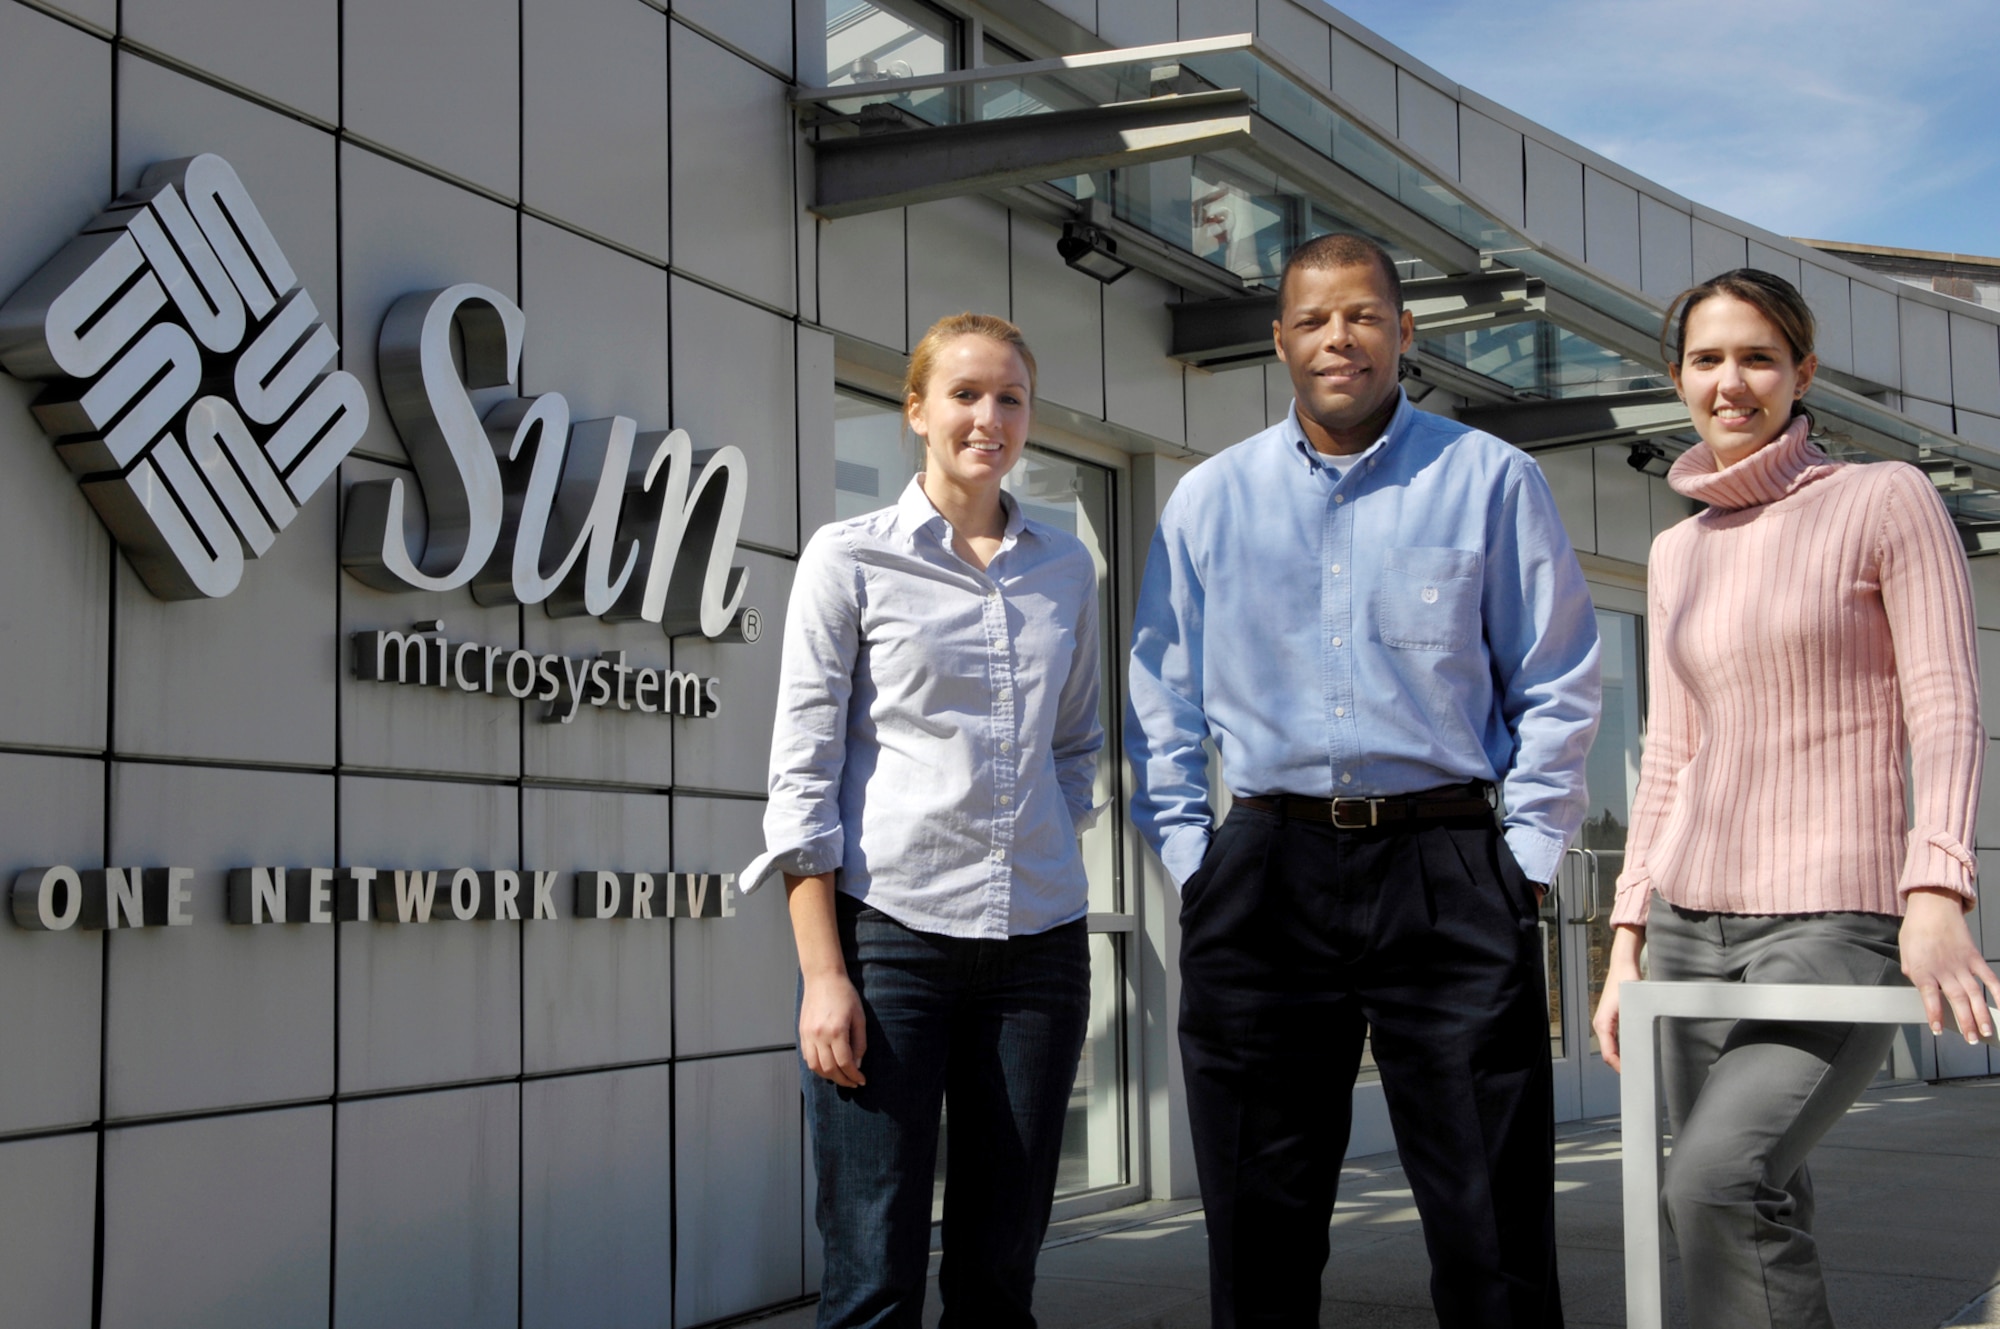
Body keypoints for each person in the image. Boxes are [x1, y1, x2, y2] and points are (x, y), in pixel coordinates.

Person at [1126, 232, 1601, 1328]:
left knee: (1492, 1223)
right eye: (1313, 318)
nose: (1339, 337)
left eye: (1363, 316)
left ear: (1402, 332)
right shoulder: (1209, 500)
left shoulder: (1488, 478)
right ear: (1279, 339)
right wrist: (1196, 861)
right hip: (1262, 874)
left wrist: (1521, 860)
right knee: (1258, 1223)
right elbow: (1162, 696)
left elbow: (1558, 680)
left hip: (1445, 868)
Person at [1591, 268, 1998, 1328]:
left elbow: (1945, 707)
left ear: (1800, 371)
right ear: (1675, 378)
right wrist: (1627, 931)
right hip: (1685, 927)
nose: (1731, 382)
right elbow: (1668, 752)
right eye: (1706, 359)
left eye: (1756, 357)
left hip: (1828, 924)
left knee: (1715, 1184)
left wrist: (1935, 890)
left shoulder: (1883, 497)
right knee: (1752, 1204)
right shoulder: (1675, 550)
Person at [741, 312, 1104, 1329]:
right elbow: (801, 777)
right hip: (888, 941)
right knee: (872, 1275)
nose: (987, 417)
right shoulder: (847, 559)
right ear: (914, 411)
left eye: (1010, 398)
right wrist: (824, 976)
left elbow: (1075, 748)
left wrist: (1032, 834)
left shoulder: (1065, 569)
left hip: (1038, 951)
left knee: (999, 1275)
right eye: (963, 394)